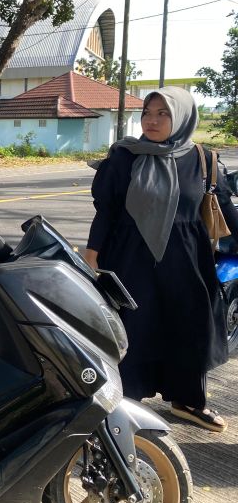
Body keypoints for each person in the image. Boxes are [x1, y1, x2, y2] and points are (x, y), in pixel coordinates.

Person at [84, 86, 236, 432]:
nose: (152, 121)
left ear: (181, 117)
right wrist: (91, 257)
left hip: (187, 259)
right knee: (132, 329)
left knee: (189, 327)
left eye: (163, 114)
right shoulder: (124, 157)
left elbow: (223, 206)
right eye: (147, 114)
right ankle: (124, 406)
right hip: (130, 257)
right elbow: (106, 211)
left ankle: (188, 401)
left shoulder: (203, 159)